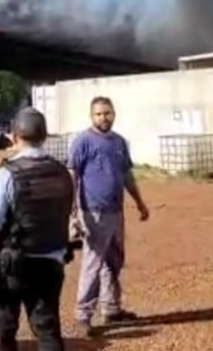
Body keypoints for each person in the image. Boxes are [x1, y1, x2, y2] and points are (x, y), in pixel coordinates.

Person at [0, 107, 74, 351]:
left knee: (3, 330)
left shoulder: (6, 175)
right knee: (47, 330)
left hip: (13, 265)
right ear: (44, 137)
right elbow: (67, 216)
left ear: (13, 137)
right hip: (51, 262)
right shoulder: (63, 173)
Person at [69, 96, 149, 338]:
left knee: (113, 261)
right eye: (99, 114)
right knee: (93, 264)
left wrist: (139, 202)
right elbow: (73, 175)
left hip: (116, 211)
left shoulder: (119, 142)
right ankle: (83, 316)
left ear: (114, 113)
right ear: (91, 116)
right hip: (92, 212)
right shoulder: (83, 141)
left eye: (107, 113)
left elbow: (126, 176)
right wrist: (72, 213)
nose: (104, 118)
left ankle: (111, 308)